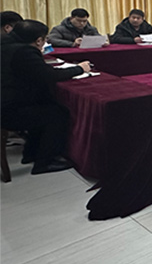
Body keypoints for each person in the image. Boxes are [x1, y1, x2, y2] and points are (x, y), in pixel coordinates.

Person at [1, 20, 91, 174]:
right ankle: (44, 162)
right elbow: (49, 76)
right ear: (39, 40)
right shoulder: (24, 51)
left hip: (8, 102)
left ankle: (31, 153)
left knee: (45, 105)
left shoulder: (5, 44)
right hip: (9, 110)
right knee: (57, 113)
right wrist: (79, 69)